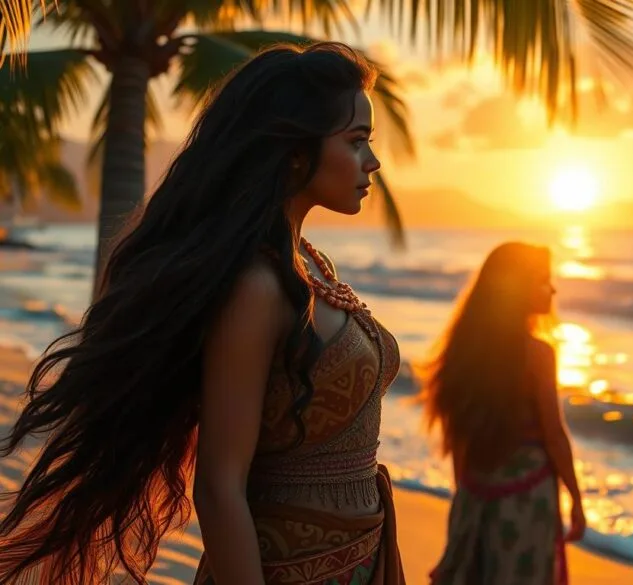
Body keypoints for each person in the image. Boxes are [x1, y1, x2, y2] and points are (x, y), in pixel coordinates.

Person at [0, 42, 405, 585]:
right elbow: (218, 487)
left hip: (362, 559)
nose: (372, 161)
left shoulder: (306, 263)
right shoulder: (257, 286)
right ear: (295, 150)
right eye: (356, 141)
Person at [417, 242, 587, 585]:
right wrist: (577, 501)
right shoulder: (537, 354)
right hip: (527, 500)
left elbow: (459, 438)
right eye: (544, 280)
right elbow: (554, 436)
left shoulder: (465, 351)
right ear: (520, 288)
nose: (553, 289)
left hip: (475, 496)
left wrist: (466, 495)